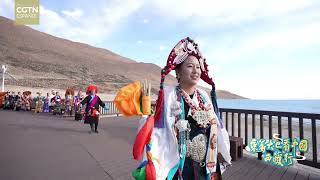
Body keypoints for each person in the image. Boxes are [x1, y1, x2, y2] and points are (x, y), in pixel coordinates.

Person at [129, 37, 232, 180]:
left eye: (198, 67)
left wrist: (221, 149)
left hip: (207, 163)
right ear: (178, 72)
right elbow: (158, 130)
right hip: (181, 166)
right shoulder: (168, 96)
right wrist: (147, 116)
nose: (196, 71)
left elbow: (216, 126)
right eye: (190, 66)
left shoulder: (204, 96)